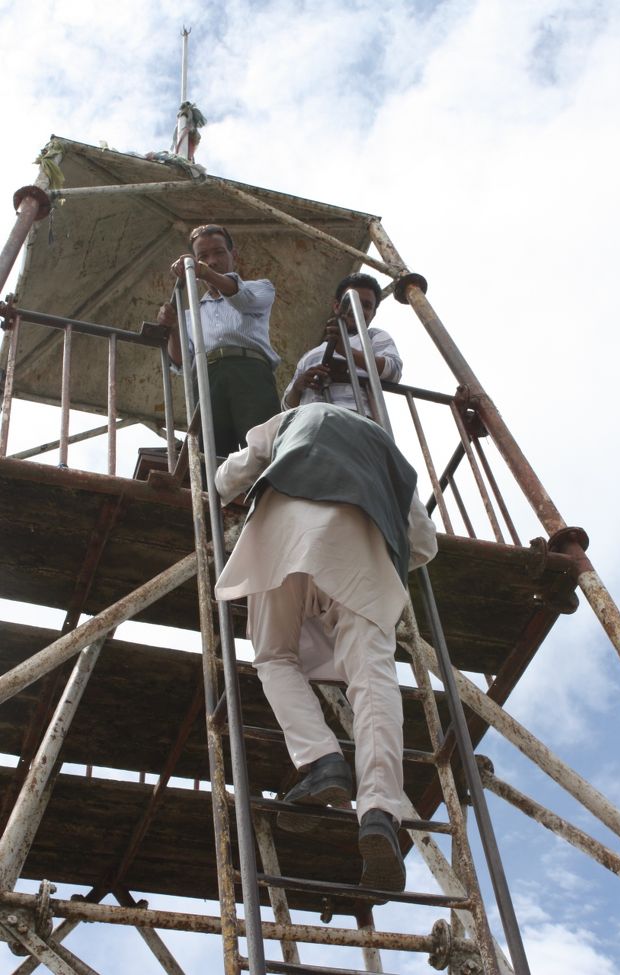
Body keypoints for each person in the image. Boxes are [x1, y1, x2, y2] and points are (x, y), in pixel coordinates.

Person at [214, 403, 438, 891]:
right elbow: (423, 541)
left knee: (275, 655)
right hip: (365, 549)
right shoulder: (390, 454)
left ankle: (320, 760)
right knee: (373, 680)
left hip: (288, 531)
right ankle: (380, 810)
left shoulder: (294, 416)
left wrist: (220, 486)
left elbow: (230, 477)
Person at [157, 224, 281, 456]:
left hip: (250, 372)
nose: (211, 261)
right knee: (210, 451)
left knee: (263, 446)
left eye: (219, 252)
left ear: (233, 255)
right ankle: (212, 492)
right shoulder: (191, 313)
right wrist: (173, 328)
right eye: (203, 256)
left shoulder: (260, 288)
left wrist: (203, 272)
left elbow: (241, 299)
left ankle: (267, 491)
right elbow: (181, 363)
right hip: (207, 376)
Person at [282, 272, 402, 416]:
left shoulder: (373, 336)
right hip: (310, 425)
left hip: (355, 421)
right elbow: (286, 408)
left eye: (367, 306)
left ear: (373, 314)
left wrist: (346, 350)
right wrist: (297, 387)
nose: (358, 309)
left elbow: (394, 371)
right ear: (337, 306)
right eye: (352, 301)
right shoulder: (310, 355)